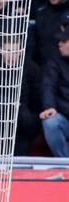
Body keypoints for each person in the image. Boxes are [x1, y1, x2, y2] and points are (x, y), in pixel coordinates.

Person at [39, 28, 69, 157]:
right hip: (64, 116)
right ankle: (64, 163)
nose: (59, 44)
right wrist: (49, 106)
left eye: (64, 40)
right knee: (51, 122)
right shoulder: (54, 61)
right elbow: (48, 86)